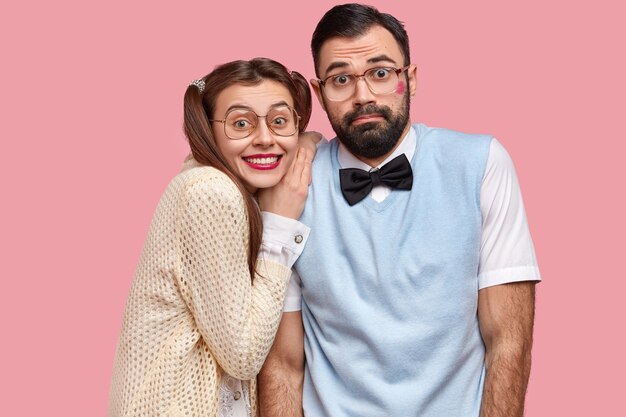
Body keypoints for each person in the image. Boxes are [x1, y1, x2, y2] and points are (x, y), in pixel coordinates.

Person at [258, 4, 541, 417]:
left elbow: (509, 344)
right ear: (319, 95)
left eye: (380, 72)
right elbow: (282, 366)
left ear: (410, 78)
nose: (363, 96)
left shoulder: (481, 163)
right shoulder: (292, 186)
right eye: (341, 80)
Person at [108, 57, 317, 417]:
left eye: (280, 121)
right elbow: (244, 355)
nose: (265, 138)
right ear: (208, 130)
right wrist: (280, 225)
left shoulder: (216, 183)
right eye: (241, 124)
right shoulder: (211, 192)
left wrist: (308, 145)